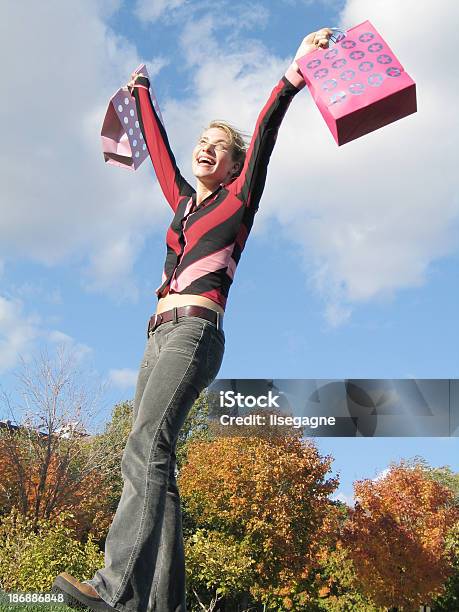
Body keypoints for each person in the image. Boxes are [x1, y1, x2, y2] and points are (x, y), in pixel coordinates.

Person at [52, 27, 333, 612]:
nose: (206, 150)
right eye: (202, 141)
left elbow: (266, 134)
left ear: (232, 167)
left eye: (219, 148)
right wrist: (143, 93)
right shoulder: (183, 203)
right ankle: (166, 602)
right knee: (157, 459)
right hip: (157, 335)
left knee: (143, 448)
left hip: (194, 332)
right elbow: (158, 154)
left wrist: (293, 73)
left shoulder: (238, 203)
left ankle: (117, 590)